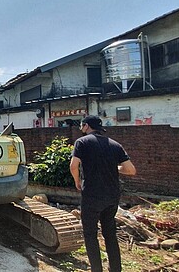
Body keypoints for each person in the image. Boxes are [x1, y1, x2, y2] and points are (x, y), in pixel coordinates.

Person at [69, 115, 136, 272]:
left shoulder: (82, 142)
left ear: (86, 126)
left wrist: (77, 181)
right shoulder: (115, 145)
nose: (80, 129)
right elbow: (131, 170)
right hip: (112, 197)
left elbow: (73, 165)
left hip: (92, 195)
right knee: (110, 234)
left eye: (81, 126)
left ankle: (96, 269)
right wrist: (115, 168)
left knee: (91, 234)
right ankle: (116, 269)